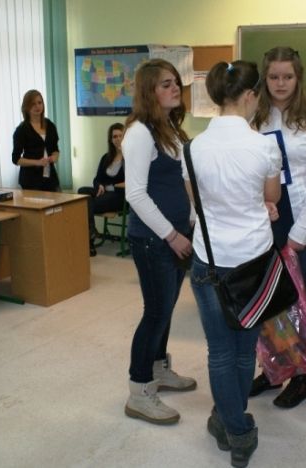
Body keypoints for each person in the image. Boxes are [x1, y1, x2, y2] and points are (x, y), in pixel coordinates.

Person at [188, 61, 281, 468]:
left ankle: (227, 421)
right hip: (253, 261)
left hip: (209, 260)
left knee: (220, 351)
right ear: (248, 96)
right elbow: (272, 196)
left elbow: (197, 203)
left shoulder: (192, 148)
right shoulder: (264, 146)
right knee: (244, 350)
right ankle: (238, 430)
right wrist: (259, 206)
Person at [249, 46, 306, 409]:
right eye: (273, 77)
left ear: (298, 77)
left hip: (305, 222)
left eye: (287, 76)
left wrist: (300, 232)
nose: (280, 83)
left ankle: (302, 379)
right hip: (267, 219)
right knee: (269, 302)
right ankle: (274, 369)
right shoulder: (255, 116)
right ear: (265, 78)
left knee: (302, 303)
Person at [122, 59, 196, 426]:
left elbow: (183, 181)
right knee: (155, 312)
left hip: (177, 234)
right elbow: (135, 194)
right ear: (149, 91)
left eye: (176, 82)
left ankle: (158, 368)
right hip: (154, 240)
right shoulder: (139, 133)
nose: (175, 88)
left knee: (165, 309)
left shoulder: (170, 129)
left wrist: (192, 222)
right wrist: (171, 234)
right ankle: (139, 391)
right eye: (166, 84)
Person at [77, 123, 126, 256]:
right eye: (114, 136)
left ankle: (89, 239)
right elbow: (97, 179)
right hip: (104, 193)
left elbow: (131, 181)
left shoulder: (130, 157)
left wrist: (114, 186)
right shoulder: (106, 157)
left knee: (85, 203)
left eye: (120, 136)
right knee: (82, 192)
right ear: (111, 140)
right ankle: (91, 232)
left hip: (119, 196)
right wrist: (98, 185)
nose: (118, 139)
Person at [11, 89, 60, 192]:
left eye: (39, 103)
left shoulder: (50, 125)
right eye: (33, 104)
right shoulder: (22, 130)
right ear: (26, 107)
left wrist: (55, 157)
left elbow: (55, 150)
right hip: (30, 180)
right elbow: (16, 159)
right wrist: (37, 162)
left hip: (50, 179)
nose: (37, 106)